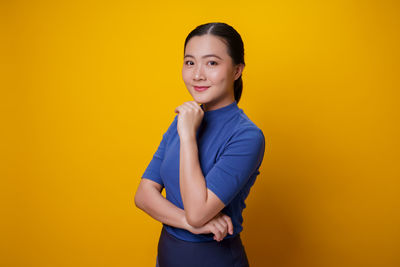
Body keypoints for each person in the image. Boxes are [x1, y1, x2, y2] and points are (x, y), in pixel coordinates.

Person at [134, 22, 266, 267]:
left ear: (237, 70)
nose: (197, 74)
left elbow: (198, 212)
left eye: (212, 63)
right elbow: (143, 195)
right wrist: (189, 223)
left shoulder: (246, 136)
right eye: (190, 62)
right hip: (168, 255)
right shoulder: (184, 120)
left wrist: (187, 136)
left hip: (214, 259)